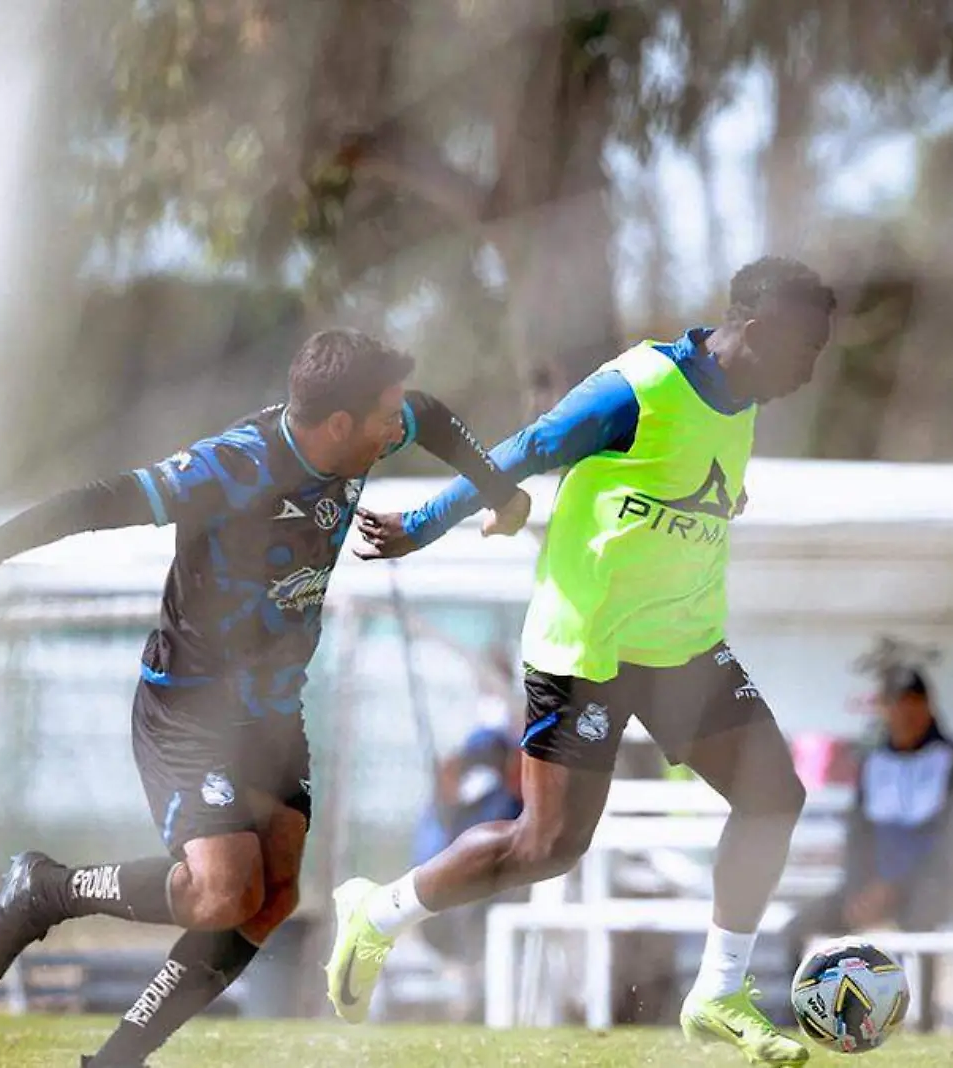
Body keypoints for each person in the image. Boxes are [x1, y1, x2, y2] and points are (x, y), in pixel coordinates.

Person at [0, 329, 531, 1068]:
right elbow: (97, 503)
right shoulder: (235, 465)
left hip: (272, 712)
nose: (400, 429)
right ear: (336, 426)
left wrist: (501, 493)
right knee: (221, 894)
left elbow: (431, 414)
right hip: (190, 712)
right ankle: (48, 889)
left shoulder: (365, 427)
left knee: (272, 897)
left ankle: (115, 1060)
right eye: (385, 419)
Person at [330, 256, 837, 1065]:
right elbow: (531, 446)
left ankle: (717, 993)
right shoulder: (638, 387)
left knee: (773, 795)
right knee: (548, 847)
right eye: (807, 351)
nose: (811, 374)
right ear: (763, 330)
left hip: (683, 646)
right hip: (588, 651)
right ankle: (380, 912)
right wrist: (428, 520)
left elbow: (684, 489)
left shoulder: (740, 403)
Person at [780, 664, 953, 1030]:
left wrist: (896, 886)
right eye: (895, 704)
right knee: (797, 927)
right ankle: (808, 1021)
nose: (904, 713)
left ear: (927, 707)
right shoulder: (874, 762)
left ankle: (926, 1023)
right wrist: (861, 890)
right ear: (884, 710)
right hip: (870, 886)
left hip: (932, 887)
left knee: (922, 919)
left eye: (912, 703)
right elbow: (858, 837)